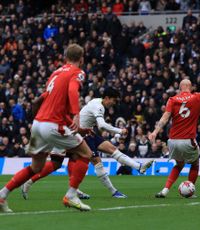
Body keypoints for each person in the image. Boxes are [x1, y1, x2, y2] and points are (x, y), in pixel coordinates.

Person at [0, 44, 93, 212]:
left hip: (38, 124)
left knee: (36, 167)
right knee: (85, 153)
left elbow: (46, 99)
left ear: (65, 57)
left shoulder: (56, 73)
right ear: (82, 58)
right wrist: (76, 114)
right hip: (52, 124)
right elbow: (73, 91)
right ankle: (71, 195)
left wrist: (77, 128)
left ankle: (2, 194)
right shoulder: (77, 72)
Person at [21, 89, 154, 199]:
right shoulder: (99, 106)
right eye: (113, 101)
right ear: (107, 98)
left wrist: (116, 134)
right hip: (76, 135)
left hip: (87, 133)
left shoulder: (96, 101)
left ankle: (138, 166)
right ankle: (112, 191)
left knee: (111, 149)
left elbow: (93, 122)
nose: (113, 104)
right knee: (70, 162)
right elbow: (101, 125)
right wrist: (119, 130)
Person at [148, 60, 200, 198]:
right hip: (187, 140)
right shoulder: (197, 97)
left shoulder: (172, 99)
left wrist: (155, 132)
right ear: (190, 88)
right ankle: (189, 191)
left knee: (179, 165)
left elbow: (165, 117)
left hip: (172, 141)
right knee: (195, 164)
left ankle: (165, 190)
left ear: (180, 88)